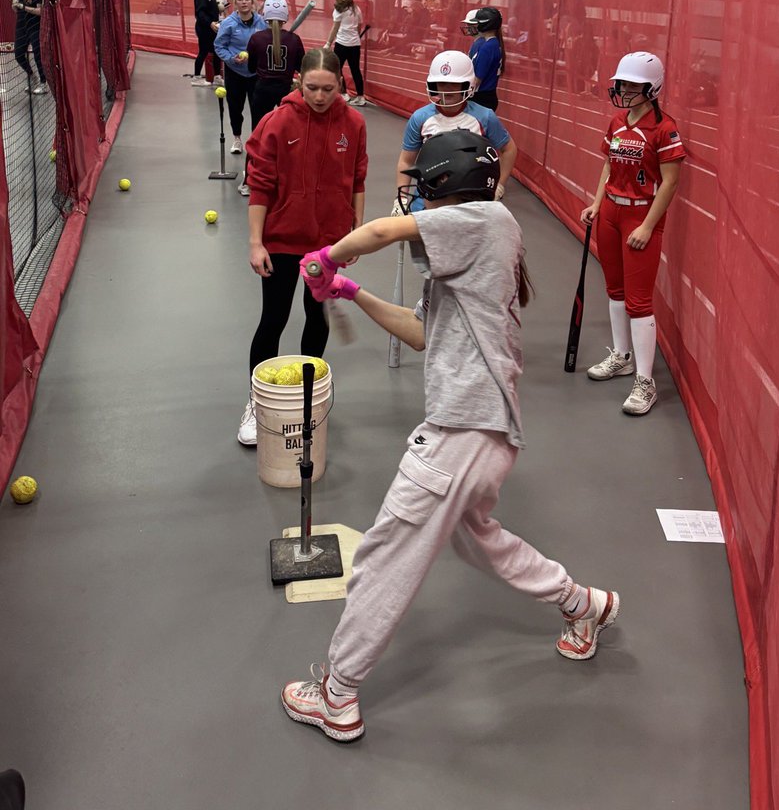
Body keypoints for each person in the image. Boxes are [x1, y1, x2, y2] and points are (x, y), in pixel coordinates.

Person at [279, 131, 620, 742]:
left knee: (384, 557)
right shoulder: (469, 258)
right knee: (475, 539)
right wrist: (350, 293)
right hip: (484, 437)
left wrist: (328, 258)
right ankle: (581, 603)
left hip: (461, 432)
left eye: (422, 188)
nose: (415, 202)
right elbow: (419, 333)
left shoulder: (486, 218)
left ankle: (337, 693)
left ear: (447, 187)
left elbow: (380, 232)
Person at [239, 48, 367, 446]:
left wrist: (355, 232)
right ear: (299, 80)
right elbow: (259, 186)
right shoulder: (277, 122)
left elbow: (357, 178)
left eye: (328, 88)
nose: (319, 96)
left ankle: (309, 402)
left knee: (318, 319)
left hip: (326, 246)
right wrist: (256, 242)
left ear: (340, 85)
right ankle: (258, 403)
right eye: (312, 87)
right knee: (273, 319)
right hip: (280, 240)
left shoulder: (354, 123)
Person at [580, 52, 686, 415]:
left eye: (630, 84)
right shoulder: (616, 122)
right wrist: (596, 204)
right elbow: (608, 166)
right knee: (615, 290)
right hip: (610, 212)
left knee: (638, 302)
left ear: (650, 87)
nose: (622, 89)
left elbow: (670, 183)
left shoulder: (664, 128)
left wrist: (647, 225)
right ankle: (621, 356)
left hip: (640, 216)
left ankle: (645, 381)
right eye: (621, 83)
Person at [394, 50, 517, 208]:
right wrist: (401, 199)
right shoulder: (420, 118)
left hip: (470, 200)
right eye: (442, 83)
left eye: (454, 83)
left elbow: (509, 150)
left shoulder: (485, 117)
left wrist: (498, 186)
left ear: (468, 84)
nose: (447, 88)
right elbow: (406, 160)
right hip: (427, 199)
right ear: (433, 85)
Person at [214, 0, 266, 175]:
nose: (244, 2)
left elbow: (267, 44)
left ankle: (256, 141)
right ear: (235, 3)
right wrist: (231, 59)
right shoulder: (228, 23)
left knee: (257, 108)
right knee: (235, 107)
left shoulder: (262, 23)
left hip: (256, 73)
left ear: (253, 3)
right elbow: (219, 46)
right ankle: (237, 138)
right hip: (235, 72)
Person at [247, 0, 305, 130]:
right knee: (288, 129)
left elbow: (251, 68)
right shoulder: (294, 39)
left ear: (265, 14)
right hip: (286, 90)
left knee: (259, 128)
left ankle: (257, 151)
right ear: (285, 16)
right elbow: (301, 67)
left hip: (262, 89)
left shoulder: (256, 38)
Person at [325, 0, 367, 107]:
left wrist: (328, 43)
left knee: (337, 69)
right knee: (355, 70)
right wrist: (354, 37)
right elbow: (359, 27)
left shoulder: (339, 9)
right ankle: (361, 97)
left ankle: (344, 93)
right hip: (355, 45)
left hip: (341, 44)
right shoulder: (357, 9)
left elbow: (335, 28)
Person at [12, 0, 48, 94]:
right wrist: (14, 4)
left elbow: (40, 11)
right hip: (21, 26)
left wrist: (22, 6)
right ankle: (33, 77)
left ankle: (43, 83)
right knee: (19, 55)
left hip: (35, 26)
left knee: (38, 55)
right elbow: (15, 10)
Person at [461, 5, 505, 109]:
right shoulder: (493, 44)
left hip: (481, 98)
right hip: (486, 96)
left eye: (477, 23)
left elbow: (477, 80)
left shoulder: (487, 47)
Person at [192, 0, 222, 87]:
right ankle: (196, 77)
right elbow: (200, 13)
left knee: (216, 51)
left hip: (213, 27)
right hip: (204, 28)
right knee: (203, 52)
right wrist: (210, 23)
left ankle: (217, 77)